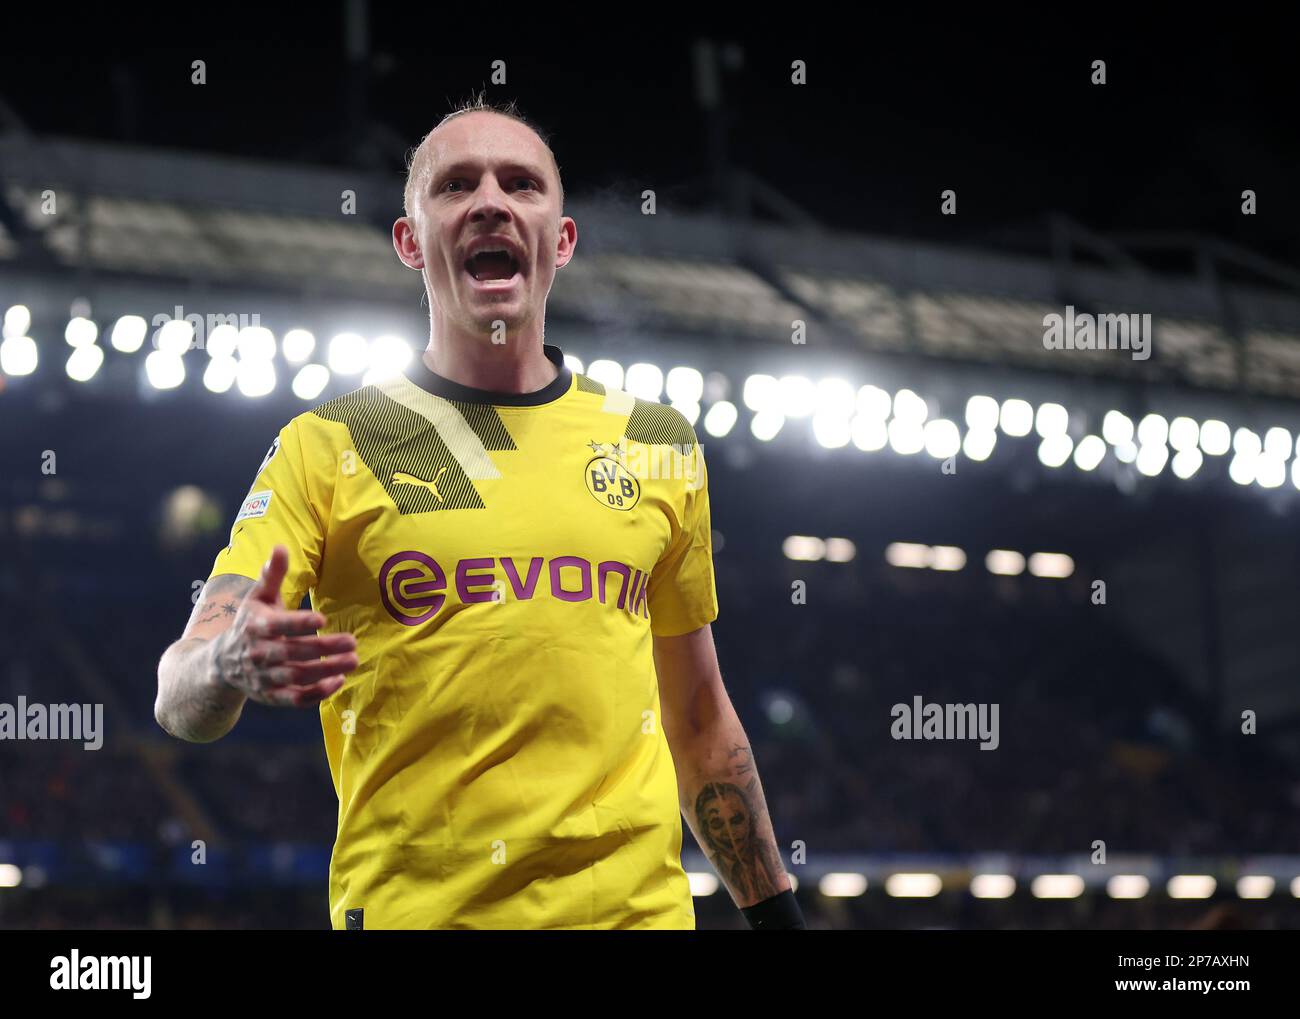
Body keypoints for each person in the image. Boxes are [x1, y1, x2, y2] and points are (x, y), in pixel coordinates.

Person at [155, 94, 802, 930]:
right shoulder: (334, 443)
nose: (491, 201)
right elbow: (179, 691)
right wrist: (225, 665)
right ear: (409, 242)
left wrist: (778, 917)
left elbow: (698, 715)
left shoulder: (654, 441)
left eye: (522, 184)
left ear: (560, 243)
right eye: (456, 185)